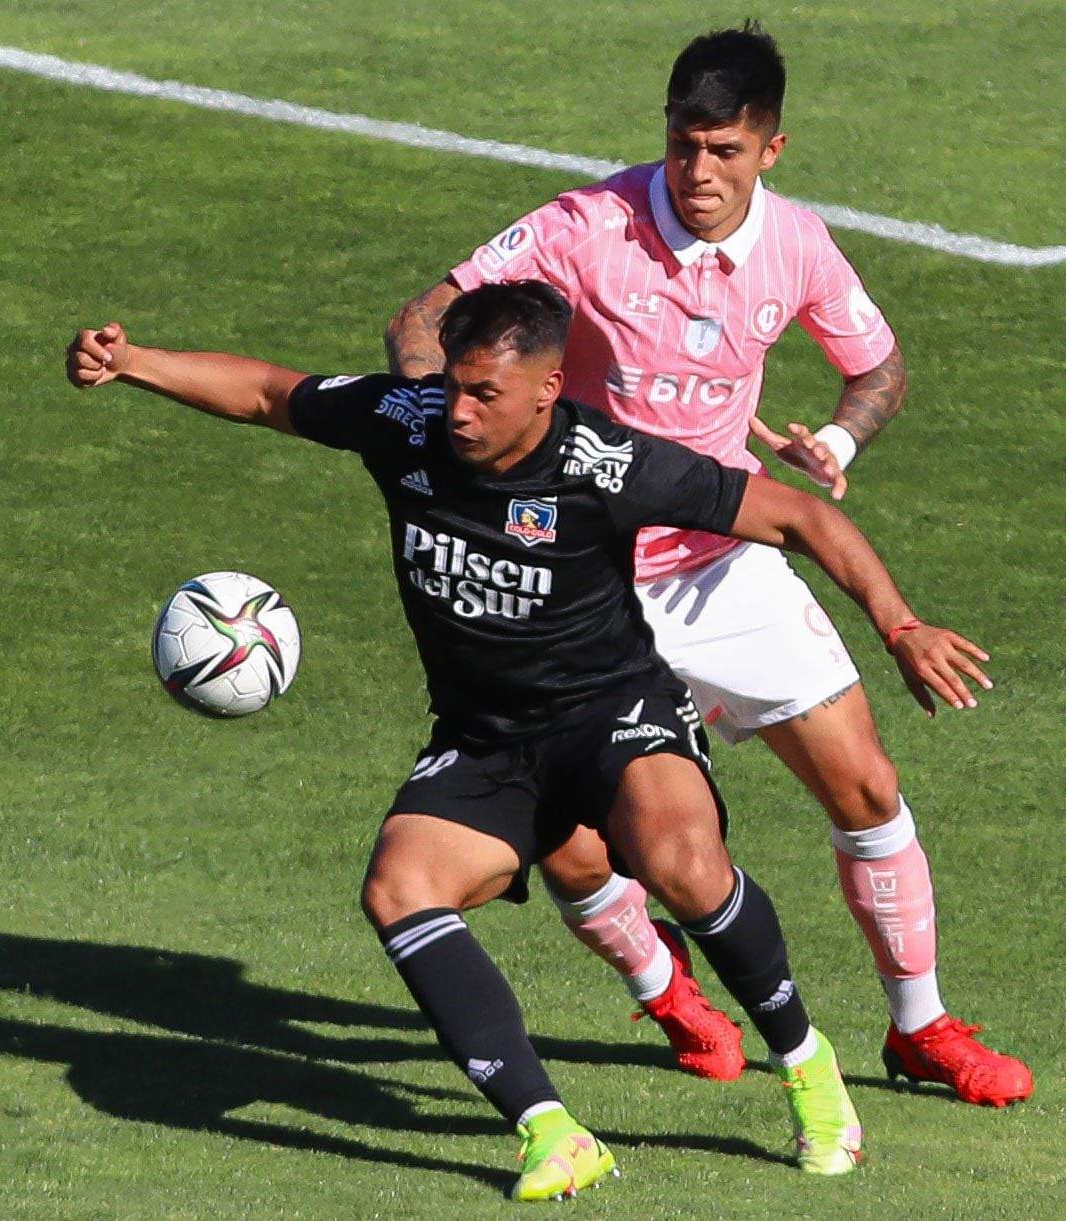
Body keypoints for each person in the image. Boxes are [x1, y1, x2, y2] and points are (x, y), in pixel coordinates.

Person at [66, 281, 995, 1198]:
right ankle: (550, 1130)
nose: (458, 412)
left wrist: (900, 625)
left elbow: (800, 515)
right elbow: (272, 393)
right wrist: (134, 363)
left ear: (547, 389)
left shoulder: (607, 464)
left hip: (613, 713)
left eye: (484, 395)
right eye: (454, 385)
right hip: (484, 736)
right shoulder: (407, 417)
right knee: (398, 888)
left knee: (683, 865)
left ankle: (804, 1062)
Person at [384, 22, 1031, 1107]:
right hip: (585, 590)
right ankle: (669, 992)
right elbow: (427, 313)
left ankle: (918, 1028)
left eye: (724, 151)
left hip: (721, 564)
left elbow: (876, 366)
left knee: (865, 782)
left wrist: (838, 441)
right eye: (683, 145)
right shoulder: (584, 225)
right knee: (576, 846)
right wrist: (425, 412)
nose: (697, 173)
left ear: (769, 150)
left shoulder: (801, 247)